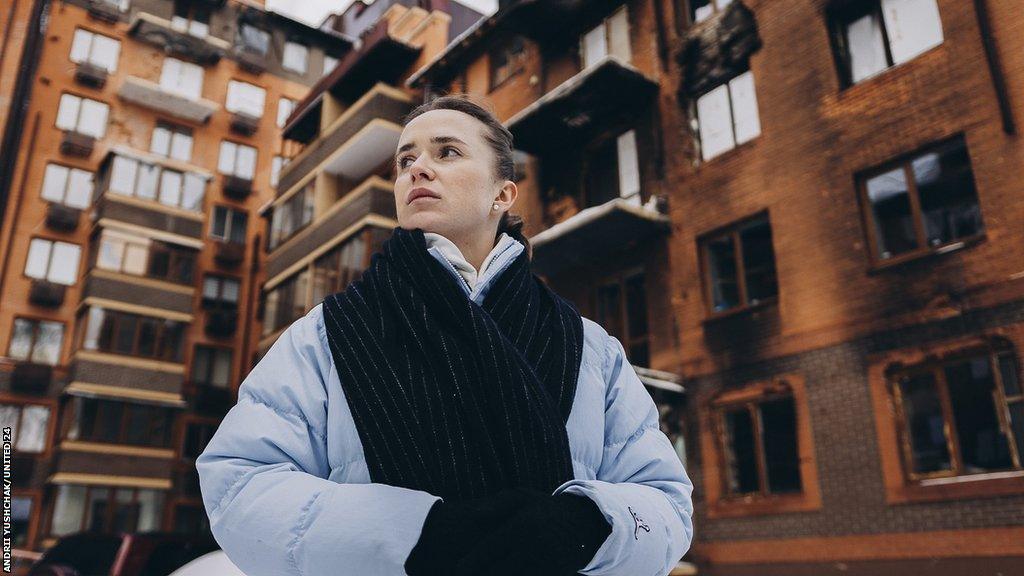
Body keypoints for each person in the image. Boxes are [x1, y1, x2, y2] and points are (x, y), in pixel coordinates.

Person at [195, 94, 694, 576]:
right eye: (405, 159)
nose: (417, 168)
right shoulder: (327, 334)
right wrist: (418, 536)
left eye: (447, 152)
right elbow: (240, 484)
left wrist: (589, 526)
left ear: (503, 193)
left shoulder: (590, 348)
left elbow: (664, 503)